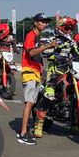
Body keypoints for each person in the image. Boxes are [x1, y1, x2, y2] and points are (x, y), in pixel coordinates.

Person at [34, 16, 79, 136]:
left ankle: (75, 122)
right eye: (67, 27)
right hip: (54, 71)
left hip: (69, 72)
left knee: (75, 95)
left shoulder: (71, 42)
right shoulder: (53, 40)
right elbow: (44, 52)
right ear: (60, 28)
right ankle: (39, 125)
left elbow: (77, 55)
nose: (69, 30)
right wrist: (52, 52)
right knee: (49, 94)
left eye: (71, 28)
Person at [17, 13, 55, 145]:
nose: (44, 24)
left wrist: (41, 69)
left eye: (46, 22)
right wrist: (48, 46)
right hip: (29, 72)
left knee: (32, 101)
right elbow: (31, 52)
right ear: (35, 22)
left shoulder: (37, 36)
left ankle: (24, 131)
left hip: (35, 72)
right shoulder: (31, 35)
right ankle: (23, 133)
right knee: (29, 103)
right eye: (42, 21)